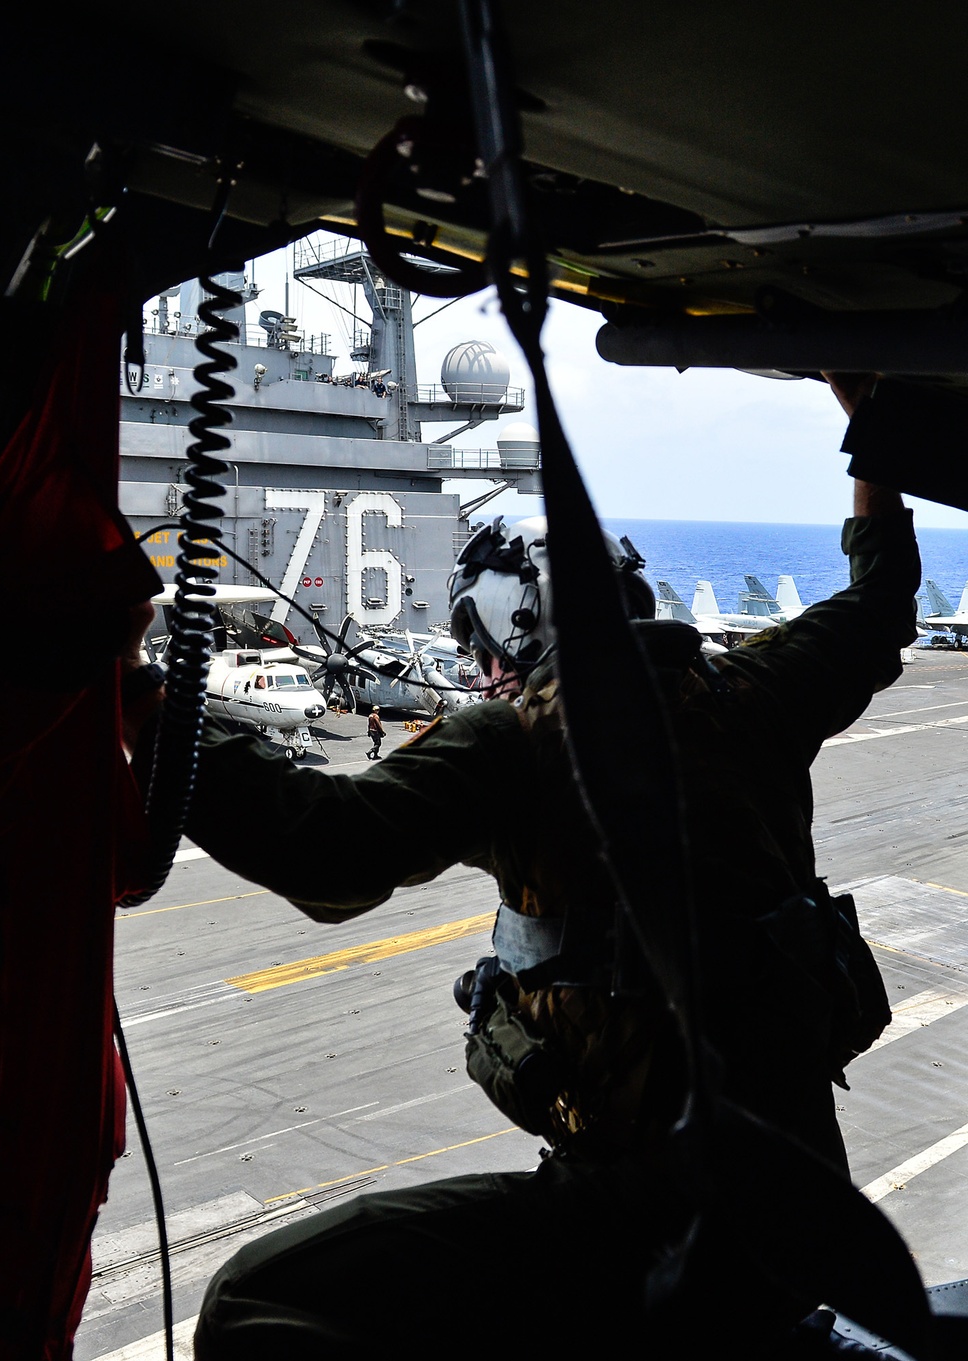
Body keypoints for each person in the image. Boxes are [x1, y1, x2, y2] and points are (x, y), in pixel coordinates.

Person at [122, 374, 920, 1354]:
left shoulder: (517, 742)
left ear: (511, 630)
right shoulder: (752, 689)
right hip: (798, 1208)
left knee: (255, 1294)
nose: (476, 670)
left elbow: (324, 851)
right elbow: (882, 598)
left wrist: (147, 707)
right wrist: (864, 409)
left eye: (476, 643)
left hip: (643, 1224)